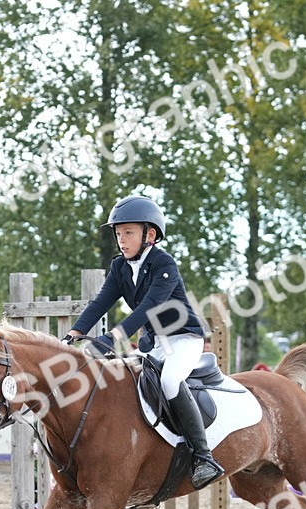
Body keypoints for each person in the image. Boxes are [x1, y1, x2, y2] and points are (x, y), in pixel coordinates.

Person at [67, 194, 224, 489]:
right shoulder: (120, 267)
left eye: (128, 232)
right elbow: (101, 302)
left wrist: (113, 338)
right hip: (153, 343)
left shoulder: (164, 263)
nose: (121, 240)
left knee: (169, 381)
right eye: (118, 233)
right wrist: (74, 334)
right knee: (124, 382)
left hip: (183, 339)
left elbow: (147, 308)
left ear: (149, 235)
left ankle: (204, 457)